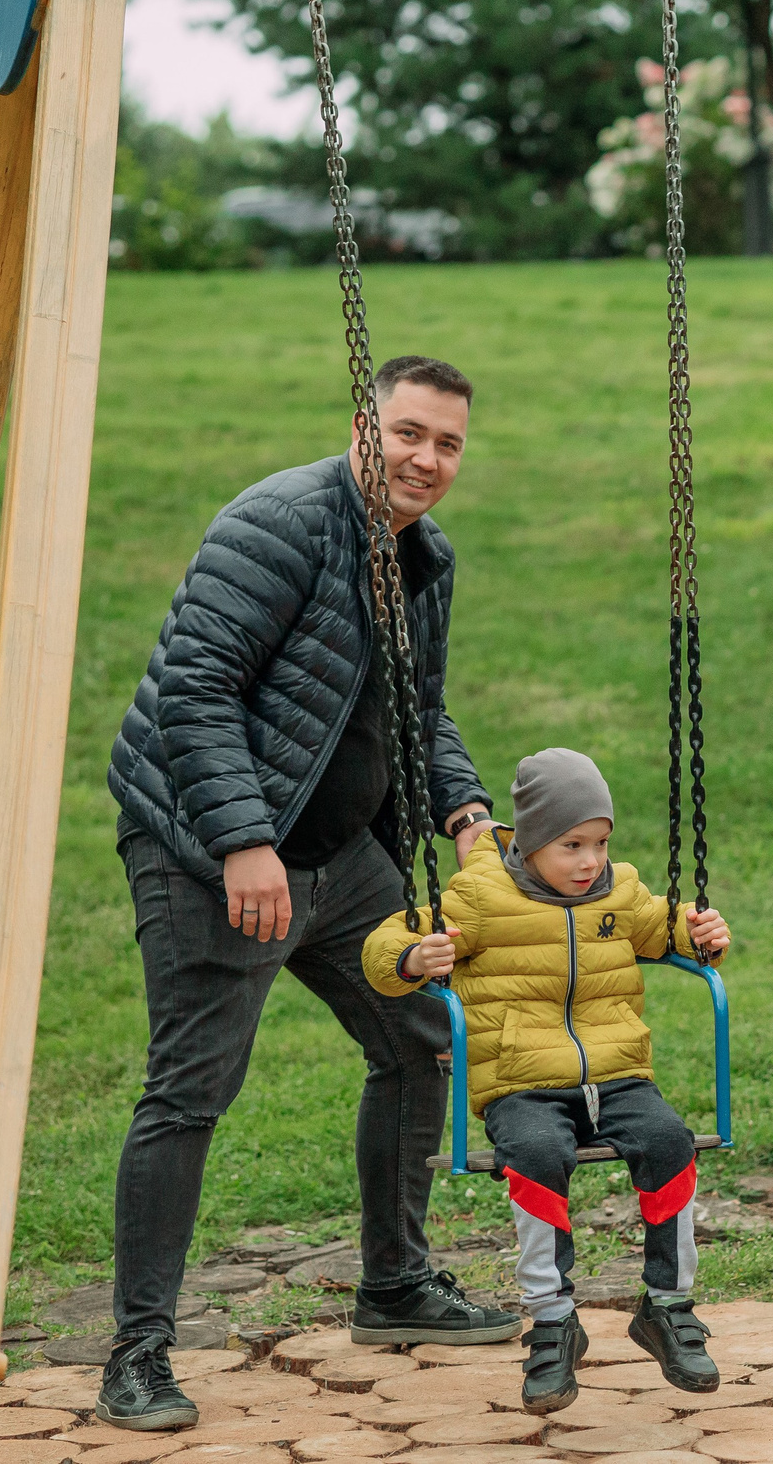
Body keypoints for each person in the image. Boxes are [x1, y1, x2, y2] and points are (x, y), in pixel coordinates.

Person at [97, 355, 517, 1433]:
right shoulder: (278, 522)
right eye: (410, 433)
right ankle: (137, 1353)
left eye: (448, 443)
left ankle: (394, 1285)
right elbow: (197, 684)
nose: (427, 459)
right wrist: (243, 844)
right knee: (191, 1089)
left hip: (340, 857)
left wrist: (466, 815)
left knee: (423, 1036)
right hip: (209, 849)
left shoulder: (424, 556)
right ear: (362, 425)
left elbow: (417, 711)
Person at [369, 749, 732, 1414]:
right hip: (522, 1081)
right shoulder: (479, 896)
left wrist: (701, 932)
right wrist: (415, 955)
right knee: (537, 1156)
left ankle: (668, 1306)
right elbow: (384, 946)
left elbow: (663, 927)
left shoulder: (618, 891)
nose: (590, 860)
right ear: (532, 841)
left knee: (669, 1142)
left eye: (599, 842)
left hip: (618, 1074)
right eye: (572, 844)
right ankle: (552, 1322)